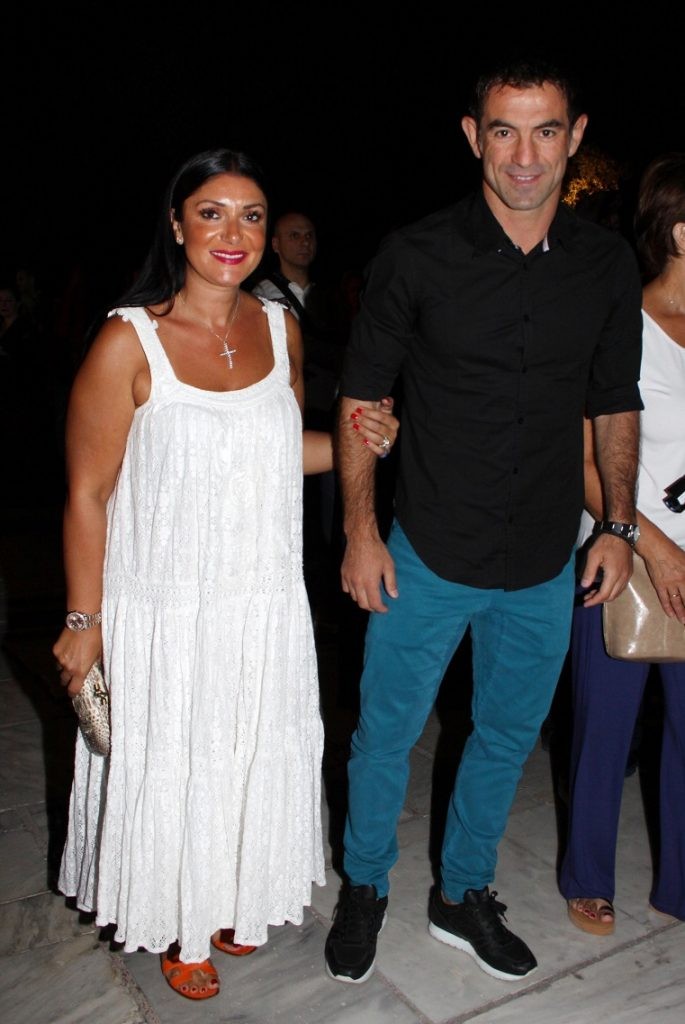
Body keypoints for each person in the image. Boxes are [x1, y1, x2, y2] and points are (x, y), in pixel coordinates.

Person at [324, 56, 644, 986]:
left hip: (543, 559)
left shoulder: (603, 264)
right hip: (426, 550)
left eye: (545, 131)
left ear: (574, 137)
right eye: (503, 130)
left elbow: (613, 401)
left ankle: (461, 894)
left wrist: (618, 526)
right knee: (384, 736)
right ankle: (365, 885)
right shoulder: (415, 254)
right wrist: (359, 532)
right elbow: (360, 395)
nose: (524, 155)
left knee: (504, 737)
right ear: (473, 137)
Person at [52, 147, 399, 1002]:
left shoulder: (279, 328)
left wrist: (357, 442)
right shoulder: (126, 338)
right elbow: (88, 493)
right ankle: (181, 918)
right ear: (177, 225)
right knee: (179, 755)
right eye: (211, 212)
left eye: (250, 215)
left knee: (246, 749)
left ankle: (233, 894)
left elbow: (275, 451)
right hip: (167, 603)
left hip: (260, 595)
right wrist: (84, 622)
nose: (232, 232)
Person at [560, 152, 685, 934]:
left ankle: (678, 884)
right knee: (602, 728)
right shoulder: (619, 326)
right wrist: (652, 545)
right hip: (622, 555)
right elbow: (579, 459)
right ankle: (587, 876)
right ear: (680, 232)